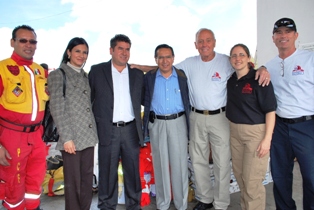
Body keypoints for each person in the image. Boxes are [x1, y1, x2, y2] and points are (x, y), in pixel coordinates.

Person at [132, 28, 269, 210]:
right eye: (200, 41)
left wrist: (263, 68)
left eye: (208, 40)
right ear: (195, 45)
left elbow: (244, 66)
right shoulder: (189, 63)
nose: (204, 44)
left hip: (220, 117)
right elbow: (165, 68)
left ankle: (220, 202)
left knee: (221, 161)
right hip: (195, 116)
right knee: (198, 160)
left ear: (214, 42)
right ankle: (205, 198)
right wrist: (139, 67)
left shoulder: (225, 61)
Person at [88, 34, 144, 210]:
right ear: (111, 50)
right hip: (107, 130)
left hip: (130, 130)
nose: (124, 53)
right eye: (120, 48)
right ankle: (106, 205)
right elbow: (89, 101)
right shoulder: (97, 71)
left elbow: (144, 99)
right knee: (107, 171)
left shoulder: (136, 74)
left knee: (133, 172)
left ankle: (134, 205)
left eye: (127, 49)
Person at [264, 17, 314, 210]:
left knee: (311, 177)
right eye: (279, 32)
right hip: (280, 128)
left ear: (296, 35)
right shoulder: (269, 66)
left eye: (287, 32)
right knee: (280, 177)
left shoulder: (309, 60)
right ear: (273, 38)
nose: (283, 36)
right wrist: (260, 68)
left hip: (306, 126)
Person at [0, 25, 47, 210]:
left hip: (37, 135)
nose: (28, 45)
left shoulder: (40, 71)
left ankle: (34, 207)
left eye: (32, 41)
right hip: (11, 135)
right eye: (23, 40)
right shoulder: (3, 69)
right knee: (14, 181)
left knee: (36, 178)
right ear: (13, 43)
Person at [47, 37, 98, 210]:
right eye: (77, 51)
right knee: (73, 184)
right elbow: (57, 108)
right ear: (68, 52)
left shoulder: (85, 75)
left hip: (88, 137)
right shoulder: (57, 75)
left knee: (86, 183)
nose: (81, 55)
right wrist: (67, 138)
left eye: (85, 52)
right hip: (72, 139)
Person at [226, 44, 277, 210]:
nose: (237, 58)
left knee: (252, 181)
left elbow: (270, 111)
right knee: (241, 178)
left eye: (241, 55)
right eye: (234, 55)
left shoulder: (259, 79)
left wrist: (267, 140)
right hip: (235, 133)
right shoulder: (231, 80)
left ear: (249, 58)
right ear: (230, 60)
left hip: (255, 135)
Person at [142, 44, 190, 210]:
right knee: (160, 164)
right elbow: (144, 99)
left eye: (168, 56)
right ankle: (162, 204)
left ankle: (181, 204)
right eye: (160, 57)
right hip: (157, 124)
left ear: (173, 58)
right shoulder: (149, 78)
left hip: (178, 123)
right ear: (156, 60)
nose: (164, 60)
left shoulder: (183, 76)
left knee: (180, 165)